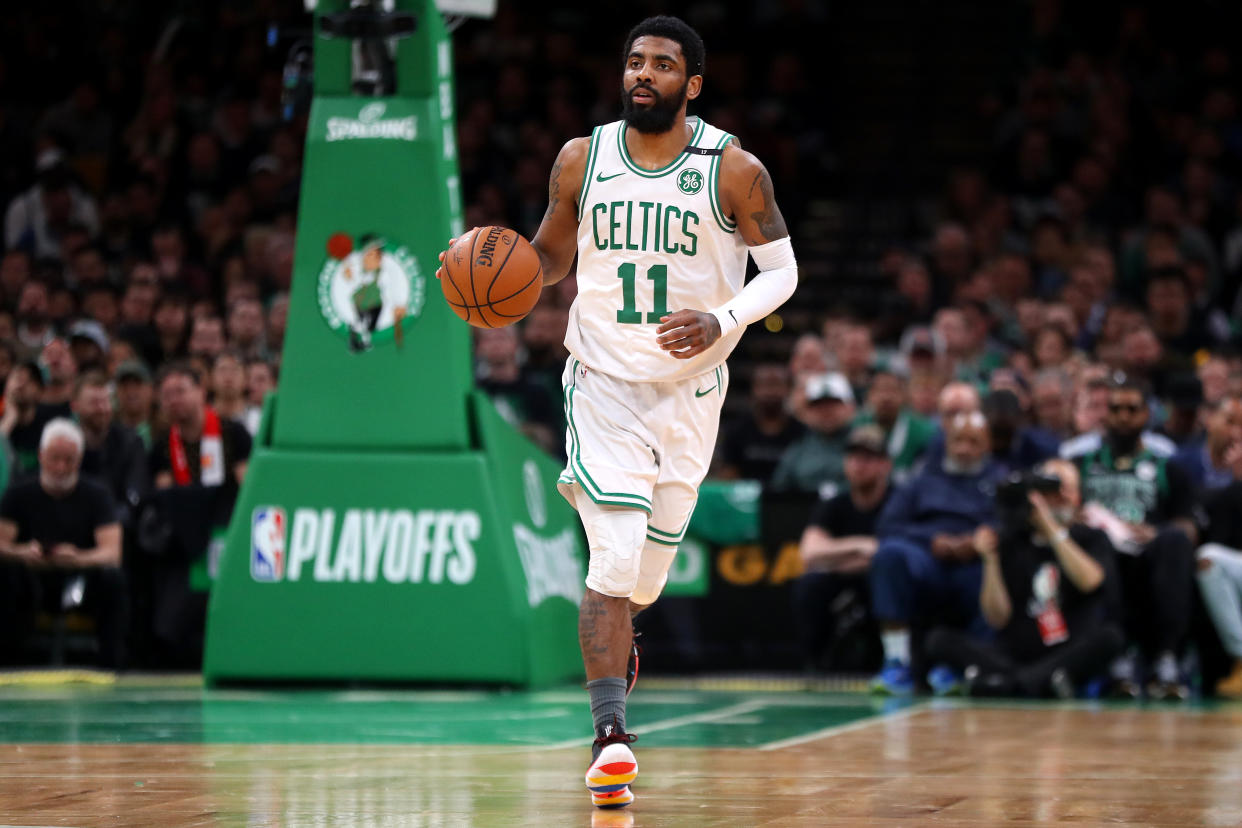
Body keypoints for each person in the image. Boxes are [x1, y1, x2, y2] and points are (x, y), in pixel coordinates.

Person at [439, 15, 797, 810]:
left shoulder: (733, 169)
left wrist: (725, 318)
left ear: (691, 84)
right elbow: (552, 255)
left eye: (662, 65)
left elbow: (783, 272)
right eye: (634, 62)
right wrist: (482, 266)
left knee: (645, 579)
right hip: (600, 382)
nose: (643, 74)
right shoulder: (583, 157)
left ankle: (619, 648)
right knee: (610, 563)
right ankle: (610, 737)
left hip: (692, 395)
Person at [925, 460, 1124, 697]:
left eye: (1066, 488)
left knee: (1111, 637)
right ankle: (1040, 682)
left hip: (1068, 649)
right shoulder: (1012, 540)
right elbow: (997, 618)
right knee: (938, 639)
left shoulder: (1091, 538)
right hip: (1016, 652)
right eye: (1050, 489)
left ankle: (1007, 683)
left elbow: (1090, 581)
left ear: (1078, 496)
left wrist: (1050, 528)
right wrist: (990, 561)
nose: (1058, 496)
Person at [1076, 376, 1198, 699]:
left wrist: (1154, 531)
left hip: (1150, 558)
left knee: (1174, 541)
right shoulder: (1082, 466)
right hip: (1101, 559)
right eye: (1115, 408)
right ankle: (1118, 656)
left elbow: (1190, 526)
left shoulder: (1167, 468)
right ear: (1105, 414)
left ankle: (1166, 658)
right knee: (1095, 540)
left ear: (1147, 415)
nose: (1124, 416)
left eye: (1133, 409)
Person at [870, 411, 1003, 695]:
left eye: (973, 442)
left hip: (976, 560)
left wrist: (978, 540)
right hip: (927, 558)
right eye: (958, 441)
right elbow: (888, 525)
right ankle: (898, 661)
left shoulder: (1001, 481)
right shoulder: (921, 480)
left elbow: (1011, 524)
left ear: (987, 445)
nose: (964, 449)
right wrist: (932, 539)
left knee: (997, 570)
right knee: (889, 555)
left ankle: (962, 666)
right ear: (946, 442)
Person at [0, 419, 124, 668]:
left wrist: (78, 557)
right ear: (41, 456)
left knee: (114, 580)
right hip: (30, 580)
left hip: (80, 580)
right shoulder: (18, 493)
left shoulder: (97, 494)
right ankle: (8, 661)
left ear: (79, 459)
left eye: (69, 460)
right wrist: (23, 552)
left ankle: (112, 663)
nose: (60, 467)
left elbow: (112, 553)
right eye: (54, 458)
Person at [794, 424, 892, 672]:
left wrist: (835, 555)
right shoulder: (835, 503)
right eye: (854, 457)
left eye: (868, 458)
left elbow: (887, 554)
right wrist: (860, 546)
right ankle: (814, 664)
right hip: (843, 576)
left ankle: (887, 662)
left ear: (885, 464)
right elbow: (810, 552)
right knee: (809, 585)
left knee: (887, 578)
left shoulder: (897, 500)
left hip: (880, 580)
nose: (859, 464)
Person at [70, 371, 149, 524]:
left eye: (105, 401)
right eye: (94, 403)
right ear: (75, 406)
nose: (102, 409)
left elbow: (135, 495)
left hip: (119, 527)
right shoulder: (65, 444)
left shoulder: (130, 441)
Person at [714, 361, 804, 483]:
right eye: (765, 385)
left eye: (776, 384)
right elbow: (728, 477)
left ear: (788, 389)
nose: (770, 392)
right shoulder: (736, 431)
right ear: (754, 389)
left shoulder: (801, 432)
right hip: (746, 498)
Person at [769, 372, 855, 495]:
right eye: (819, 405)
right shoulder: (798, 449)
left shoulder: (864, 444)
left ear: (850, 407)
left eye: (833, 404)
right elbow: (778, 489)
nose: (826, 411)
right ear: (808, 412)